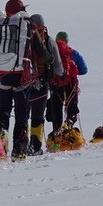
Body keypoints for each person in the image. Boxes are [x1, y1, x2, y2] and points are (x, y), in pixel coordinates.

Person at [0, 0, 31, 159]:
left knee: (3, 110)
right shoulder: (26, 26)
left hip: (2, 78)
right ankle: (19, 149)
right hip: (22, 80)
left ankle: (2, 136)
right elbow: (40, 53)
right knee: (22, 114)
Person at [26, 14, 64, 155]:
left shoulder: (24, 38)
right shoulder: (49, 40)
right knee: (37, 115)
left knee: (23, 115)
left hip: (24, 83)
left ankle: (22, 145)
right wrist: (61, 74)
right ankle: (35, 146)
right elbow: (58, 66)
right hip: (42, 83)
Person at [48, 31, 88, 133]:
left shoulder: (50, 52)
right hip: (71, 85)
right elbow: (84, 70)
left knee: (57, 108)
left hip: (55, 86)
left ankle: (56, 131)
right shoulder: (73, 53)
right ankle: (69, 125)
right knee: (71, 107)